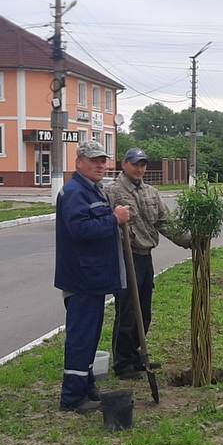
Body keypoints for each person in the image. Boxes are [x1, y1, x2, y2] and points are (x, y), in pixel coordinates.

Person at [54, 140, 130, 413]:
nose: (101, 165)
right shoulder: (74, 192)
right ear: (78, 163)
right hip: (82, 278)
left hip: (93, 278)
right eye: (94, 160)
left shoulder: (92, 190)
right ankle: (72, 397)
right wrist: (114, 219)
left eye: (103, 160)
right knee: (81, 338)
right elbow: (80, 230)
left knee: (89, 338)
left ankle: (86, 387)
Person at [105, 148, 191, 379]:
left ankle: (137, 356)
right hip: (126, 257)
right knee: (127, 311)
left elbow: (165, 222)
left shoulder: (151, 192)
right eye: (135, 164)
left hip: (145, 256)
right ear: (124, 164)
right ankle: (123, 363)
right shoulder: (112, 191)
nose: (140, 169)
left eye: (143, 164)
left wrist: (189, 241)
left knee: (144, 311)